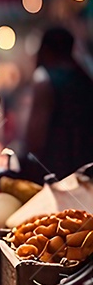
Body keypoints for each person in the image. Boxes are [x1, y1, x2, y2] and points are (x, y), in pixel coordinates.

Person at [24, 27, 93, 179]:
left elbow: (35, 138)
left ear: (45, 49)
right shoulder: (85, 79)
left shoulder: (44, 78)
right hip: (86, 176)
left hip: (55, 175)